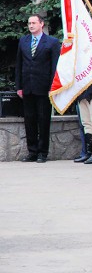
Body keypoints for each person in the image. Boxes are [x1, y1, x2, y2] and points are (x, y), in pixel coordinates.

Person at [16, 14, 61, 163]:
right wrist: (19, 86)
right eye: (29, 23)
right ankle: (32, 152)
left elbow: (55, 67)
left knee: (43, 120)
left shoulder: (52, 42)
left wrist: (52, 87)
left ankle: (43, 153)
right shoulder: (24, 41)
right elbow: (19, 65)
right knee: (29, 120)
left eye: (34, 23)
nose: (31, 25)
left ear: (41, 24)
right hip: (27, 87)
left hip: (44, 88)